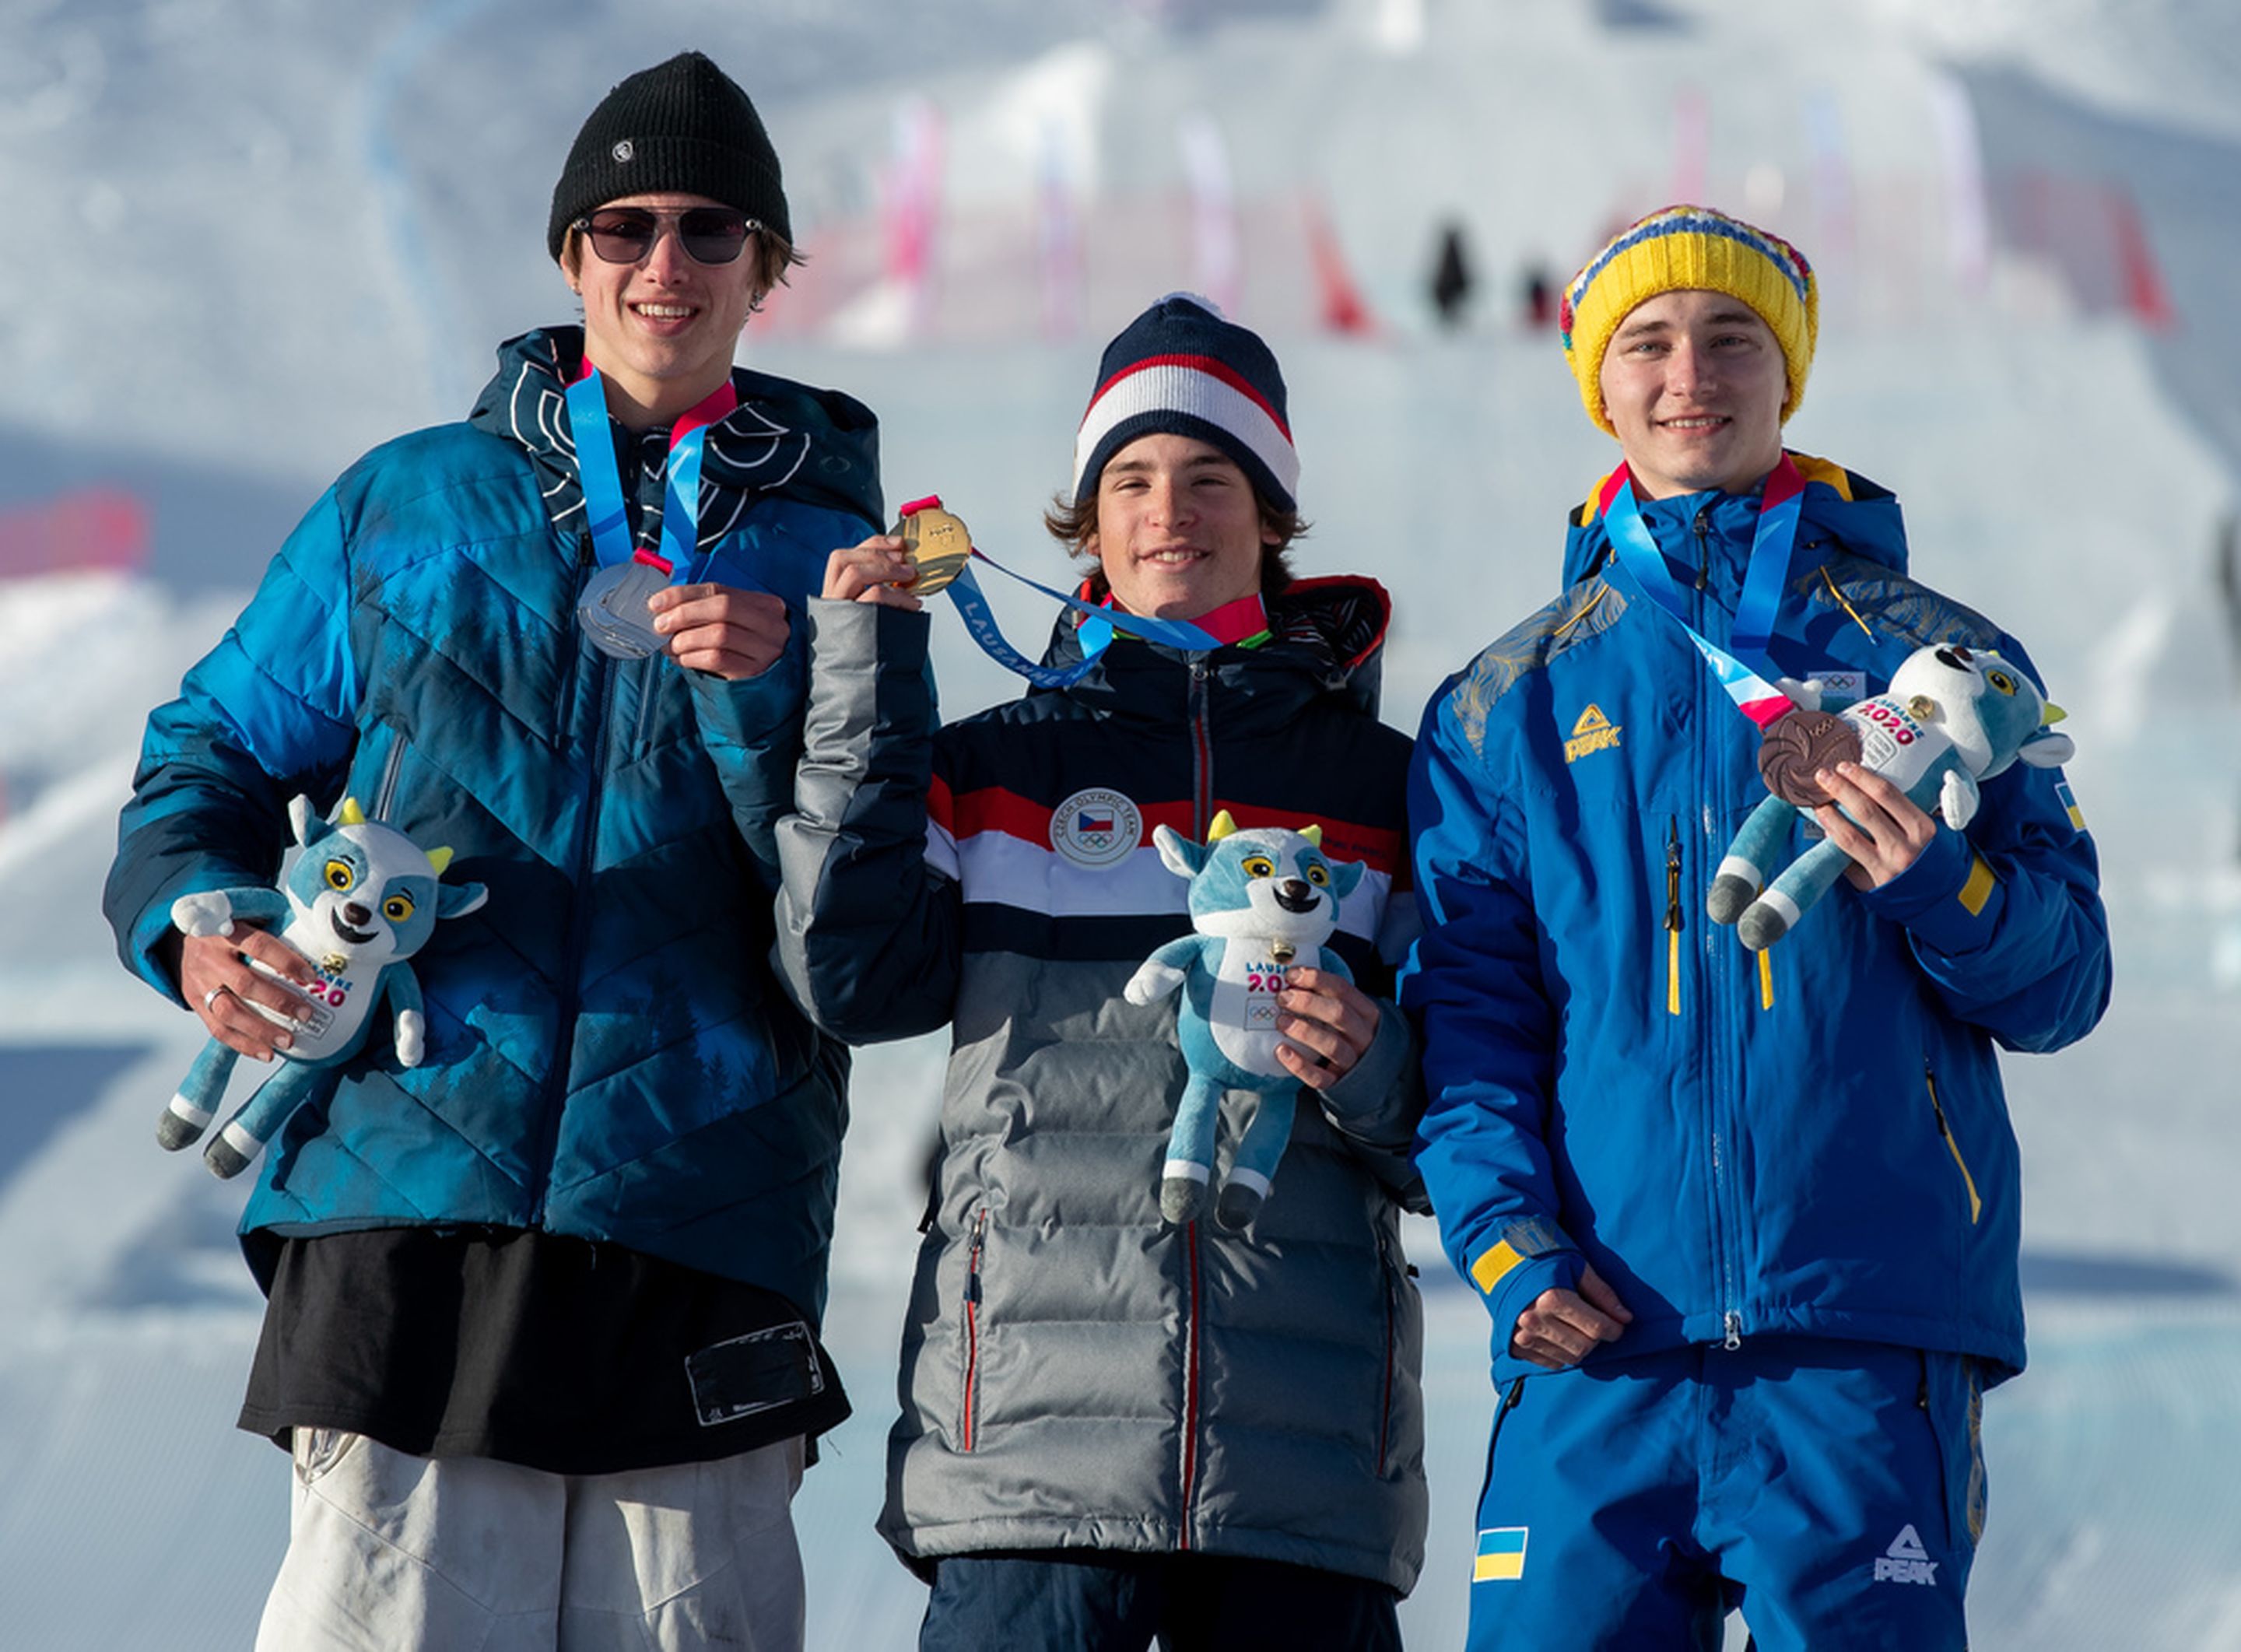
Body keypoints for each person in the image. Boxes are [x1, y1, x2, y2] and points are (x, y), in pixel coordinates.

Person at [103, 51, 882, 1651]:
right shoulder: (411, 504)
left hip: (703, 1194)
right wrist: (199, 917)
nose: (664, 264)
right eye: (624, 226)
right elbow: (213, 751)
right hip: (407, 1180)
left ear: (771, 265)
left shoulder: (839, 561)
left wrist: (791, 683)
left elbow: (872, 897)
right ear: (568, 255)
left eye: (711, 231)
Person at [1401, 205, 2109, 1651]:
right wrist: (1505, 1249)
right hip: (1600, 1339)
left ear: (1787, 375)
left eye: (1733, 338)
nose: (1690, 374)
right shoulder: (1507, 703)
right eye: (1647, 343)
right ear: (1599, 384)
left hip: (1859, 1336)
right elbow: (1469, 1021)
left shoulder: (1935, 661)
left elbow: (2066, 981)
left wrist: (1940, 890)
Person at [773, 293, 1429, 1650]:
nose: (1168, 510)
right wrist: (871, 677)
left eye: (1209, 478)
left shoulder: (1386, 792)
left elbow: (1467, 1118)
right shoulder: (997, 765)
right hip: (1021, 1450)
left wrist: (1376, 1062)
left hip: (1297, 1473)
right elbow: (853, 976)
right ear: (1088, 517)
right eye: (1130, 479)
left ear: (1271, 517)